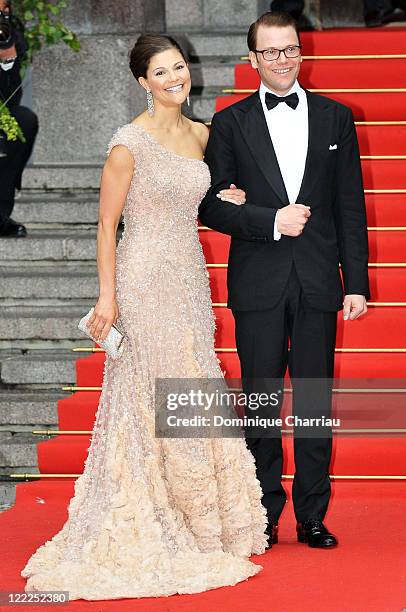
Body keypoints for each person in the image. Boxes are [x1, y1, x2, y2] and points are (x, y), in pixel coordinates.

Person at [21, 34, 269, 600]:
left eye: (178, 67)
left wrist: (228, 195)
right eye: (161, 72)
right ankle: (150, 509)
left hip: (188, 277)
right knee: (148, 390)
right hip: (142, 277)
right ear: (142, 81)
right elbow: (107, 226)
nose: (174, 78)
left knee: (190, 381)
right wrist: (107, 298)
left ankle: (202, 517)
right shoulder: (127, 145)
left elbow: (207, 199)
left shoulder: (203, 134)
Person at [199, 11, 370, 549]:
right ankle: (265, 512)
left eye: (289, 49)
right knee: (262, 403)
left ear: (302, 52)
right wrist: (268, 221)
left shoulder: (337, 118)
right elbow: (211, 206)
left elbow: (350, 206)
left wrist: (357, 282)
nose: (281, 60)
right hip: (259, 281)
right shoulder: (228, 123)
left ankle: (312, 515)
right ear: (253, 59)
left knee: (316, 404)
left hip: (320, 279)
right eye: (269, 52)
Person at [0, 0, 38, 237]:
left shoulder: (10, 37)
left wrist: (7, 63)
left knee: (23, 119)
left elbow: (12, 100)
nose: (1, 16)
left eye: (4, 10)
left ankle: (0, 215)